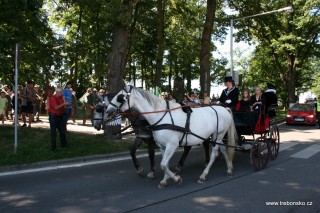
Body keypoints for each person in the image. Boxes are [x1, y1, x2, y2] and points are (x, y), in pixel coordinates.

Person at [48, 87, 71, 152]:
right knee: (53, 132)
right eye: (61, 93)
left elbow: (63, 106)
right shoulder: (53, 98)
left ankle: (64, 145)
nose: (62, 94)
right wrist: (64, 104)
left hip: (60, 115)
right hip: (53, 116)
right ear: (57, 92)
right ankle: (53, 148)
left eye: (62, 93)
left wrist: (66, 104)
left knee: (62, 131)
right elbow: (56, 107)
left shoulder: (61, 97)